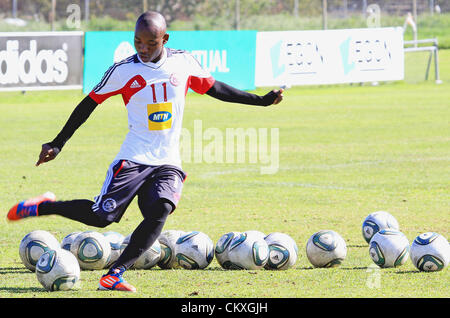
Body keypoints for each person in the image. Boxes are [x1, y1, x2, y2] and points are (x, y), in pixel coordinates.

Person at [7, 11, 283, 292]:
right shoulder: (123, 70)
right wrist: (58, 143)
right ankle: (43, 206)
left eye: (151, 43)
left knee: (161, 208)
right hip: (133, 158)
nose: (143, 49)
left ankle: (115, 273)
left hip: (167, 161)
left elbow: (215, 88)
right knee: (102, 218)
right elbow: (88, 104)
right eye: (138, 42)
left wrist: (260, 101)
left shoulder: (183, 62)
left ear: (165, 38)